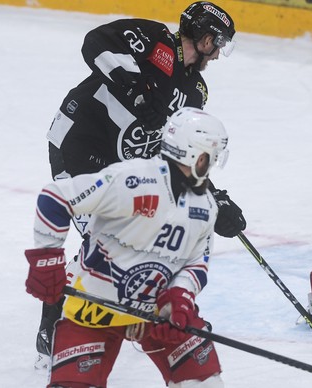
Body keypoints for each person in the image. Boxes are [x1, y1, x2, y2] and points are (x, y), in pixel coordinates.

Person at [36, 1, 247, 368]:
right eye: (215, 41)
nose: (216, 53)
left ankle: (140, 315)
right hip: (78, 148)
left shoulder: (195, 91)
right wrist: (134, 88)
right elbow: (95, 42)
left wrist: (216, 200)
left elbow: (183, 153)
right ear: (199, 32)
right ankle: (51, 330)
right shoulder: (154, 41)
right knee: (105, 244)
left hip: (120, 167)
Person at [25, 107, 229, 387]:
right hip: (93, 308)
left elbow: (195, 262)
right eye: (211, 157)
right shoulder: (132, 181)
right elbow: (56, 199)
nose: (213, 164)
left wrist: (179, 297)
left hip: (155, 313)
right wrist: (47, 260)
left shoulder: (205, 206)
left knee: (204, 383)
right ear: (194, 155)